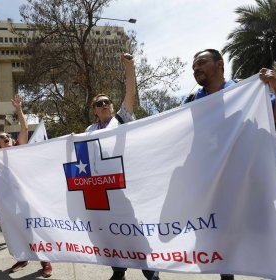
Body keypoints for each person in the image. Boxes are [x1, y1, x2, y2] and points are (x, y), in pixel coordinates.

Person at [186, 49, 276, 280]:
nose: (196, 69)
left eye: (202, 63)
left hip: (254, 188)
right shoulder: (192, 102)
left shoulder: (247, 92)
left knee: (272, 247)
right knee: (223, 252)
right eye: (194, 67)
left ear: (219, 64)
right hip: (216, 192)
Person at [86, 53, 159, 280]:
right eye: (99, 103)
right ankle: (118, 270)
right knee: (111, 230)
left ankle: (150, 271)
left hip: (125, 187)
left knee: (134, 229)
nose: (105, 105)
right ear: (95, 110)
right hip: (103, 191)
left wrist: (129, 67)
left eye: (107, 101)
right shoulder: (88, 131)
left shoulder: (121, 119)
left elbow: (130, 94)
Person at [0, 95, 53, 278]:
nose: (7, 138)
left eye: (8, 136)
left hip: (28, 197)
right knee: (17, 230)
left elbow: (25, 128)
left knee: (35, 227)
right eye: (3, 137)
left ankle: (46, 262)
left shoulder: (20, 148)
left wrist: (18, 109)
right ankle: (23, 257)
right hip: (11, 201)